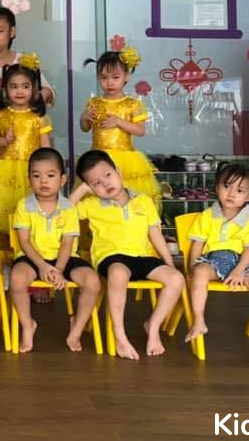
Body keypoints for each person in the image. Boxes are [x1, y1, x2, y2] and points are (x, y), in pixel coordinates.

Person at [75, 150, 185, 360]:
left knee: (176, 279)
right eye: (96, 183)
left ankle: (153, 326)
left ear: (118, 171)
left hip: (141, 257)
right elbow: (63, 213)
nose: (105, 184)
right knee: (118, 273)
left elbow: (155, 233)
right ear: (90, 187)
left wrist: (168, 262)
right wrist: (82, 191)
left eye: (108, 175)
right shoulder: (91, 204)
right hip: (111, 257)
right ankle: (120, 336)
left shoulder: (143, 200)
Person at [184, 163, 249, 366]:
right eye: (226, 186)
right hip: (215, 258)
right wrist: (192, 267)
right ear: (217, 187)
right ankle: (199, 320)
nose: (232, 193)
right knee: (199, 273)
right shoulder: (207, 216)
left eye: (240, 190)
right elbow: (197, 244)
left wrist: (238, 271)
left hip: (246, 261)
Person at [9, 148, 101, 353]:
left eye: (50, 176)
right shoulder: (24, 205)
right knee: (16, 279)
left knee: (93, 281)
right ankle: (27, 324)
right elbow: (24, 241)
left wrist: (58, 269)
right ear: (29, 180)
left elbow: (67, 244)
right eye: (36, 176)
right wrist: (42, 266)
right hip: (32, 257)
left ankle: (76, 329)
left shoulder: (68, 208)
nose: (43, 181)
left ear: (62, 180)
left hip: (64, 258)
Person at [0, 6, 54, 162]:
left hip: (22, 138)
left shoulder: (24, 60)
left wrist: (41, 96)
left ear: (12, 32)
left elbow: (49, 93)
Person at [74, 44, 160, 206]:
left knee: (125, 198)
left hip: (124, 160)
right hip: (97, 157)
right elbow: (85, 128)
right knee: (98, 199)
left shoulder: (132, 104)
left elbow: (140, 130)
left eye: (115, 77)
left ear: (126, 77)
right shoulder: (94, 102)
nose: (109, 82)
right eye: (103, 77)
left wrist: (119, 122)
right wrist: (84, 117)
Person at [0, 54, 52, 233]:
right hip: (5, 168)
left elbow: (45, 145)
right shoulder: (1, 115)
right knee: (6, 206)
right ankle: (6, 243)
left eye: (25, 86)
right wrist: (5, 140)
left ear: (34, 89)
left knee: (29, 210)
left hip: (31, 169)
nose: (19, 91)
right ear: (6, 89)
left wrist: (48, 167)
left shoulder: (38, 117)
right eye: (14, 87)